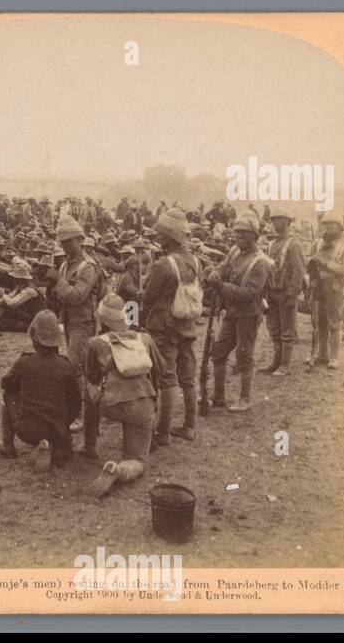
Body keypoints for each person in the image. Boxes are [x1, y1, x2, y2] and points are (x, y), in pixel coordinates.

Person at [83, 293, 165, 496]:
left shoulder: (95, 343)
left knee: (88, 390)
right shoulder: (144, 339)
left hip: (111, 404)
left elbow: (92, 377)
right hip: (143, 405)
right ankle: (118, 469)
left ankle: (90, 446)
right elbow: (160, 371)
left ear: (102, 319)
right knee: (138, 460)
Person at [141, 208, 199, 445]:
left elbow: (147, 298)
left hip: (164, 327)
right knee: (188, 377)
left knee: (166, 378)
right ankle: (189, 426)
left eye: (162, 235)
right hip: (187, 324)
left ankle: (162, 433)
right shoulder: (194, 260)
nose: (158, 238)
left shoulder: (164, 264)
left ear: (170, 236)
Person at [0, 310, 80, 467]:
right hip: (57, 430)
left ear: (34, 339)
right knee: (63, 448)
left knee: (8, 395)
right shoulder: (66, 365)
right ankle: (55, 449)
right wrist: (63, 424)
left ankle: (8, 446)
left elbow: (6, 384)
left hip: (28, 431)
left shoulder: (24, 362)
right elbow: (75, 404)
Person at [207, 217, 271, 412]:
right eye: (236, 232)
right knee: (218, 352)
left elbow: (250, 294)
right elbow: (223, 266)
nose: (238, 236)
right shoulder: (235, 251)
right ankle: (218, 396)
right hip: (231, 311)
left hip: (248, 314)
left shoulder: (261, 261)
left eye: (243, 233)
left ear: (254, 235)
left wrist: (221, 286)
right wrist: (215, 273)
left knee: (244, 355)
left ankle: (245, 398)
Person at [261, 208, 307, 375]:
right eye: (273, 220)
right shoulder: (272, 243)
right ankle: (276, 363)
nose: (275, 223)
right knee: (274, 329)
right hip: (272, 291)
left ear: (288, 221)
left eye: (279, 219)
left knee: (287, 330)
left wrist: (292, 293)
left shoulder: (294, 243)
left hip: (286, 292)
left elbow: (299, 271)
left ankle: (285, 366)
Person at [306, 214, 344, 370]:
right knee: (320, 322)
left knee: (334, 322)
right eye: (327, 224)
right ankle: (322, 355)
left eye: (333, 224)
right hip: (318, 286)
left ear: (340, 227)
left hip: (334, 287)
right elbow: (309, 261)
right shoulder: (317, 243)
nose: (329, 227)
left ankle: (334, 358)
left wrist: (325, 264)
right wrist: (311, 267)